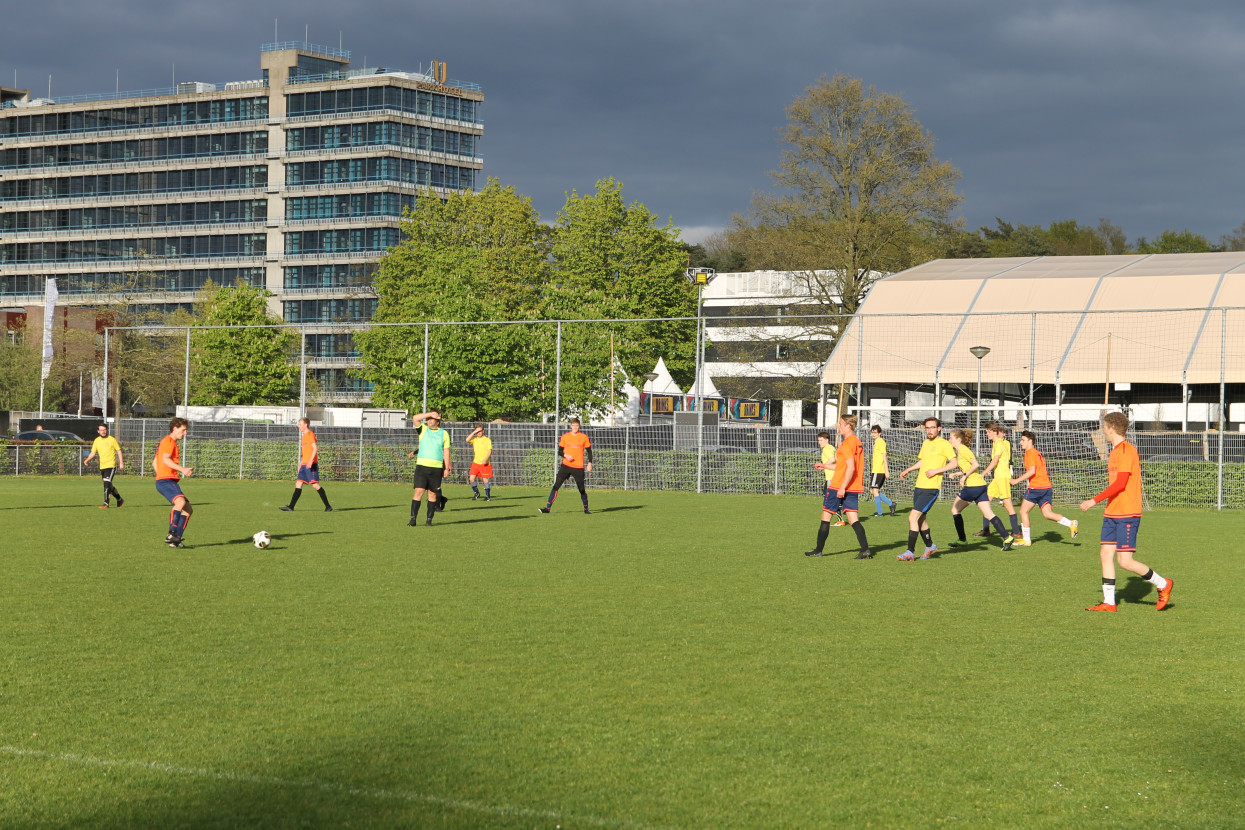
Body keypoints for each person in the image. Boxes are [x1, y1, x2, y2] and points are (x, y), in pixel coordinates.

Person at [1079, 412, 1173, 612]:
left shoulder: (1126, 451)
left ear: (1111, 428)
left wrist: (1094, 500)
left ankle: (1163, 583)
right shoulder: (1114, 452)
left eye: (1104, 427)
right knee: (1105, 554)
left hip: (1127, 512)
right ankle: (1109, 602)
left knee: (1125, 561)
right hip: (1112, 512)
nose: (1102, 431)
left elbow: (1121, 484)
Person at [806, 416, 873, 559]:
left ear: (848, 426)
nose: (838, 427)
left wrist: (842, 487)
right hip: (853, 486)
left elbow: (850, 468)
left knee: (826, 516)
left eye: (841, 424)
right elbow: (842, 466)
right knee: (853, 519)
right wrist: (824, 466)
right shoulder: (857, 442)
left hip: (839, 485)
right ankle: (865, 549)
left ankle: (818, 550)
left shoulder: (848, 443)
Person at [897, 417, 957, 560]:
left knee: (912, 516)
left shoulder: (944, 444)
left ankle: (910, 552)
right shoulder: (925, 443)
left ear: (939, 428)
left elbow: (954, 463)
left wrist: (936, 471)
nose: (929, 430)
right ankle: (930, 545)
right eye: (927, 428)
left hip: (931, 488)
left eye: (932, 427)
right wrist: (909, 469)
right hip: (919, 486)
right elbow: (923, 461)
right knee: (920, 519)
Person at [946, 429, 1014, 550]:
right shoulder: (961, 451)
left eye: (951, 438)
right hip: (980, 486)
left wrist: (964, 477)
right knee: (988, 514)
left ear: (958, 439)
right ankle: (1007, 537)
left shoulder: (963, 450)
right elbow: (968, 467)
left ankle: (962, 540)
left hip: (972, 486)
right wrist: (957, 474)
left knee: (955, 510)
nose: (949, 440)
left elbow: (975, 465)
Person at [1010, 431, 1078, 546]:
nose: (1020, 442)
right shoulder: (1037, 452)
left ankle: (1026, 540)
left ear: (1030, 441)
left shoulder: (1030, 453)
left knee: (1023, 511)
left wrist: (1017, 480)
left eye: (1022, 440)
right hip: (1046, 487)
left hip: (1036, 487)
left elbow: (1032, 471)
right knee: (1047, 514)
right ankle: (1071, 523)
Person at [974, 422, 1021, 539]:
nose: (987, 434)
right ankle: (986, 530)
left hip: (1003, 477)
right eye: (986, 432)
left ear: (995, 432)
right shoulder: (996, 443)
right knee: (985, 502)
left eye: (989, 432)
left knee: (1007, 504)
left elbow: (995, 461)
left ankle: (1016, 532)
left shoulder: (1000, 443)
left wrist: (983, 473)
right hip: (997, 478)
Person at [407, 410, 452, 526]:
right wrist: (429, 414)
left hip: (436, 468)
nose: (429, 421)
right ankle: (413, 520)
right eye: (428, 419)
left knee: (432, 494)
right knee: (419, 491)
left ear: (438, 421)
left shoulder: (444, 433)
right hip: (422, 467)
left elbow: (446, 451)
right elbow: (415, 418)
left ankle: (429, 520)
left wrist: (447, 468)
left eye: (432, 419)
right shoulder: (423, 430)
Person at [538, 417, 592, 514]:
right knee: (556, 486)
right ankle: (547, 508)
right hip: (566, 466)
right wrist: (566, 455)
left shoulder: (584, 437)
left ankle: (586, 509)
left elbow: (589, 451)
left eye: (577, 425)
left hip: (578, 467)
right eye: (573, 425)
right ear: (570, 426)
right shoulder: (565, 437)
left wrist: (590, 463)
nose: (575, 427)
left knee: (581, 489)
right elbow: (559, 451)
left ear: (579, 426)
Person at [153, 417, 193, 548]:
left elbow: (155, 462)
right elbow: (165, 459)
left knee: (188, 509)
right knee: (180, 502)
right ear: (175, 428)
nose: (185, 433)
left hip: (165, 479)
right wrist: (182, 469)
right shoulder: (168, 441)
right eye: (183, 430)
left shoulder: (169, 442)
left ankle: (176, 540)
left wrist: (160, 474)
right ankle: (171, 534)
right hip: (166, 480)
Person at [280, 417, 332, 512]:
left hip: (311, 464)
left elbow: (315, 448)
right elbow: (306, 452)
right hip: (304, 464)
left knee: (315, 485)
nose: (298, 426)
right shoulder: (304, 436)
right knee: (298, 483)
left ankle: (328, 506)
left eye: (300, 424)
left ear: (305, 425)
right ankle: (291, 507)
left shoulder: (309, 434)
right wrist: (301, 463)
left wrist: (310, 461)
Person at [83, 422, 124, 508]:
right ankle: (119, 499)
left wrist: (121, 462)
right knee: (109, 485)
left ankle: (106, 503)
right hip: (102, 466)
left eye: (104, 430)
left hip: (111, 465)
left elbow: (119, 450)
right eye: (101, 430)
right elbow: (93, 452)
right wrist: (87, 460)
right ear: (98, 431)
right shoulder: (97, 441)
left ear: (107, 430)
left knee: (106, 484)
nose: (103, 431)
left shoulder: (112, 439)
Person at [813, 431, 844, 526]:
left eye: (821, 440)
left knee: (831, 498)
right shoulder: (831, 448)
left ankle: (840, 520)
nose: (819, 442)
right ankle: (840, 517)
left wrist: (824, 465)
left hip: (832, 477)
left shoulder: (827, 448)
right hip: (834, 476)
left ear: (827, 440)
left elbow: (833, 459)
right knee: (828, 496)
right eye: (818, 440)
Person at [869, 425, 896, 517]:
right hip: (875, 470)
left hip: (879, 471)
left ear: (879, 433)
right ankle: (891, 504)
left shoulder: (881, 442)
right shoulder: (876, 442)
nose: (873, 434)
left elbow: (884, 457)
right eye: (872, 432)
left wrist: (886, 471)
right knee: (872, 491)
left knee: (874, 491)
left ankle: (880, 513)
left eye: (875, 432)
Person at [466, 424, 494, 501]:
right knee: (471, 479)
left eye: (480, 431)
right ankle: (476, 493)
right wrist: (474, 432)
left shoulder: (487, 440)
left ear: (483, 431)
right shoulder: (475, 439)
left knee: (485, 480)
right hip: (476, 463)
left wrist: (486, 459)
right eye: (477, 431)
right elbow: (467, 440)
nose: (478, 433)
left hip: (484, 464)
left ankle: (487, 496)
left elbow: (490, 451)